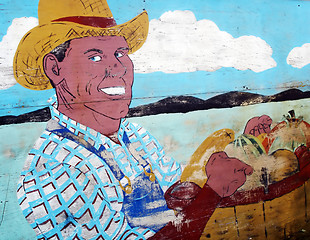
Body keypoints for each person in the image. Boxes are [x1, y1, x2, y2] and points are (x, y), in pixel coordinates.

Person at [14, 0, 253, 239]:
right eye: (95, 57)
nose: (117, 67)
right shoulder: (55, 169)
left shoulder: (132, 134)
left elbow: (175, 186)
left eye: (120, 53)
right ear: (55, 69)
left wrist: (193, 189)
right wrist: (212, 191)